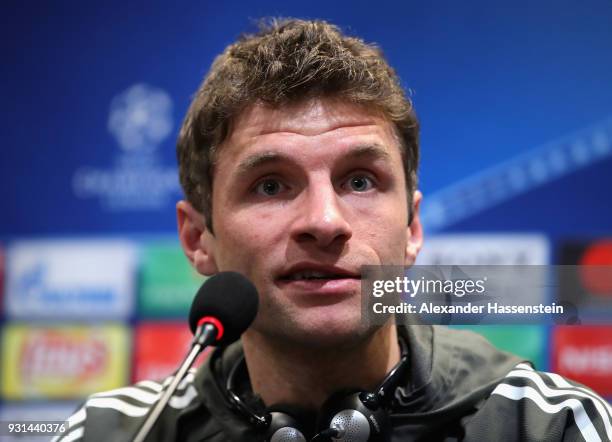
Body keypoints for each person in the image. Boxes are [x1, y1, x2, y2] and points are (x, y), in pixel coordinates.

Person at [55, 19, 611, 442]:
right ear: (199, 239)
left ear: (413, 226)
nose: (325, 222)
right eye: (271, 185)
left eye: (361, 181)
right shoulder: (113, 433)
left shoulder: (547, 424)